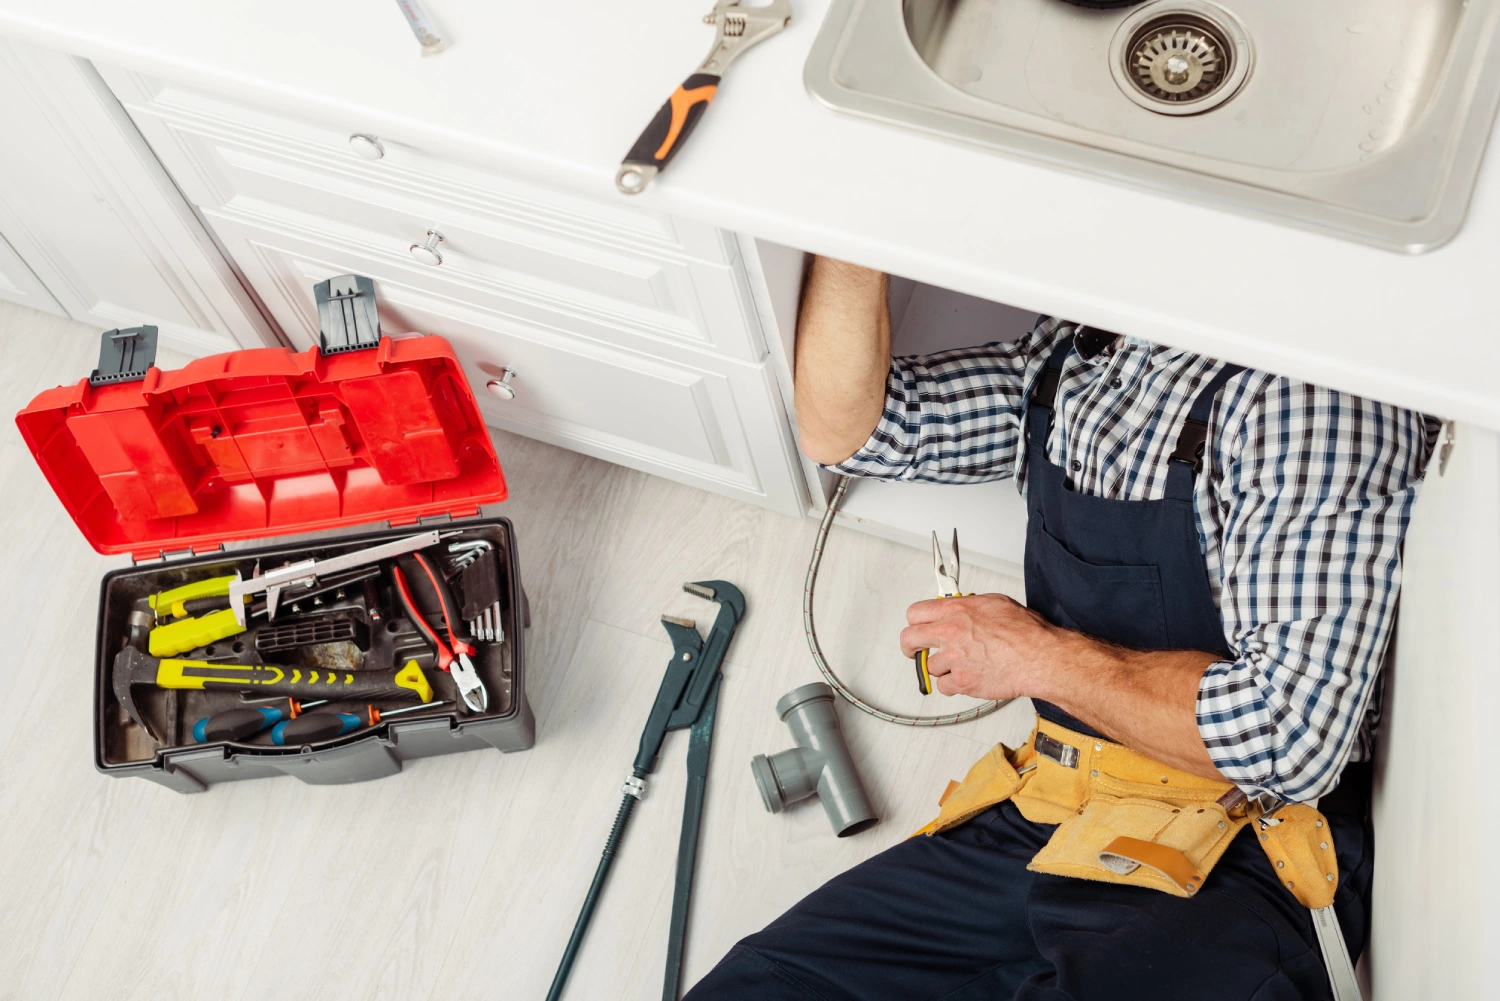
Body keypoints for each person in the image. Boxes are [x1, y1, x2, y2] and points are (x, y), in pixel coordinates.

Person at [685, 257, 1440, 1001]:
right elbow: (848, 432)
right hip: (1051, 810)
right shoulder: (1080, 356)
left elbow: (1287, 736)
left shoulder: (1305, 399)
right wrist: (854, 232)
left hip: (1232, 844)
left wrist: (1034, 657)